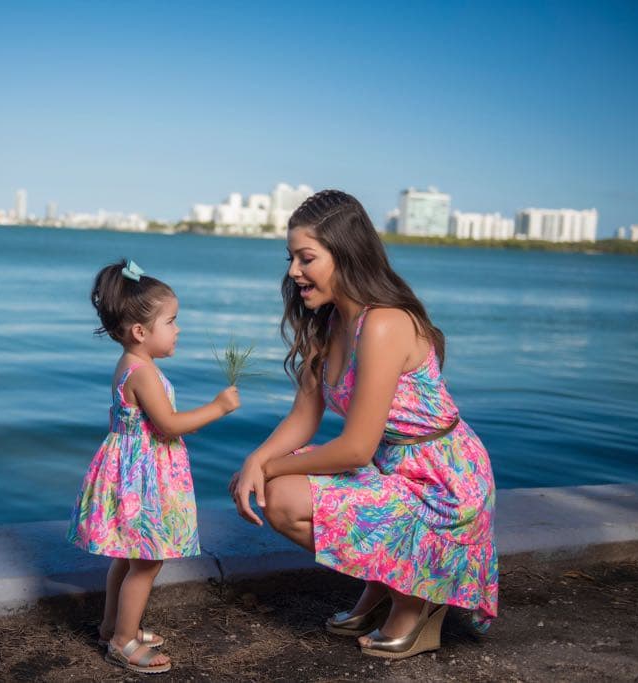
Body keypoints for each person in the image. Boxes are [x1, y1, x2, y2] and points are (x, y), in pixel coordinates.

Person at [229, 190, 497, 660]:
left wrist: (272, 471)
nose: (293, 271)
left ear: (345, 254)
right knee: (273, 480)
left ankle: (416, 597)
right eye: (291, 258)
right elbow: (303, 417)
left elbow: (354, 448)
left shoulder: (385, 324)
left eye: (305, 258)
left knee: (284, 497)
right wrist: (257, 460)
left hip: (440, 480)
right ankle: (385, 585)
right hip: (389, 464)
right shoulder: (330, 324)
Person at [68, 259, 241, 674]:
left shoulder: (131, 363)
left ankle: (113, 625)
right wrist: (218, 407)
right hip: (143, 476)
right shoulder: (143, 372)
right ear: (141, 332)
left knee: (128, 557)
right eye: (172, 321)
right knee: (146, 561)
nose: (178, 329)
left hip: (130, 468)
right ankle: (124, 641)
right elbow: (168, 425)